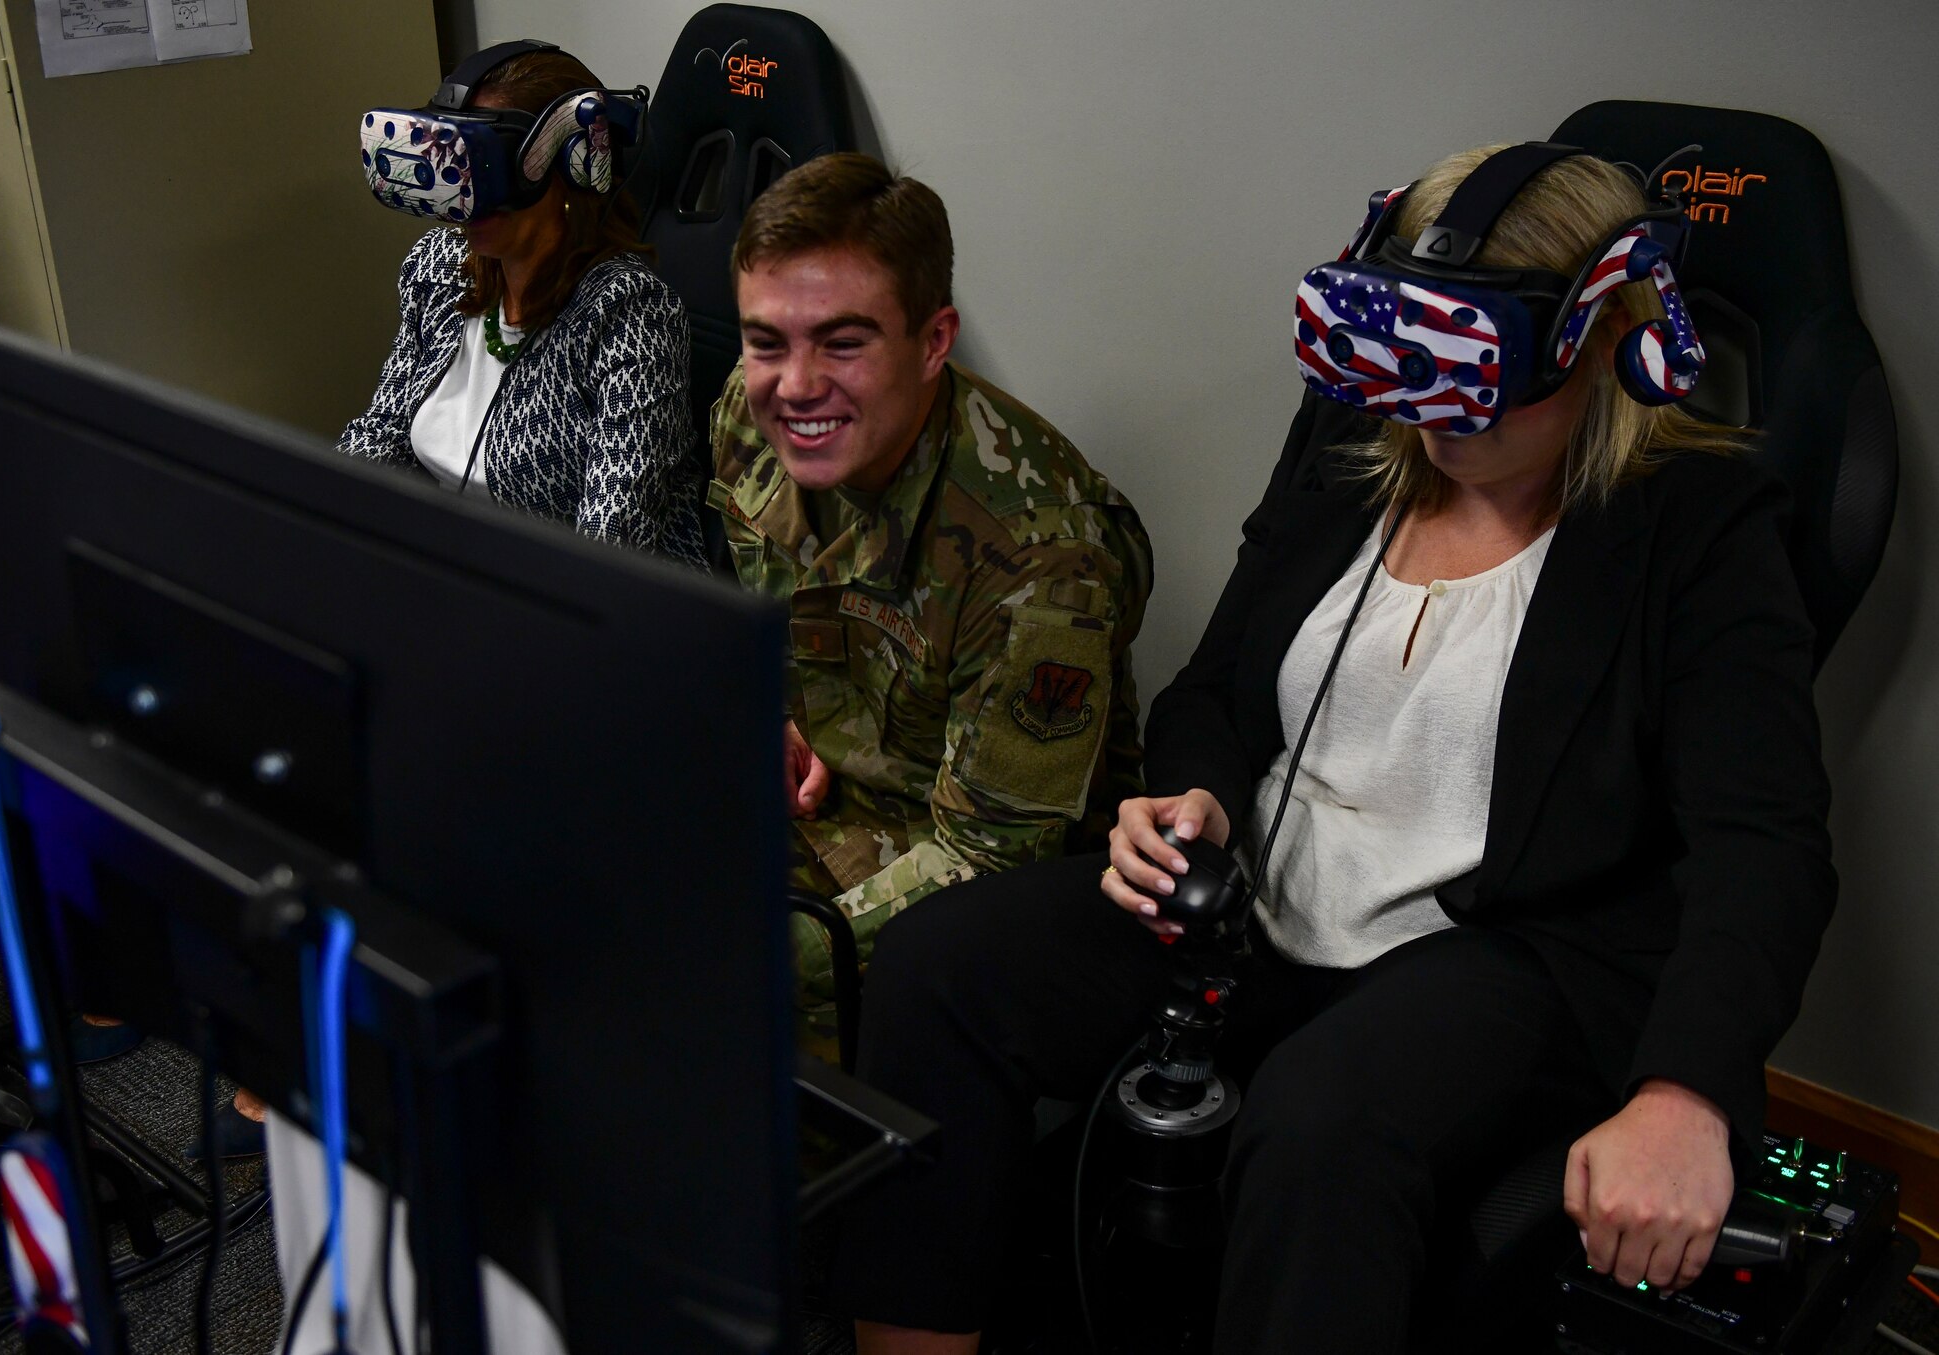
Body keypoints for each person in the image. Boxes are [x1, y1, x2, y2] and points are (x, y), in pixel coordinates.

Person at [828, 145, 1835, 1353]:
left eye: (1470, 363)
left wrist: (1684, 1093)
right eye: (1402, 354)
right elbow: (1213, 687)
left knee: (1319, 1123)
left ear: (1605, 335)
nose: (1422, 405)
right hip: (1263, 899)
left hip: (1503, 954)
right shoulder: (1351, 448)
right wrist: (1186, 792)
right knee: (941, 965)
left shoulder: (1698, 530)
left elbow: (1763, 845)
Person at [708, 154, 1154, 1048]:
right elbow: (765, 620)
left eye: (843, 342)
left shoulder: (1041, 554)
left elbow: (988, 857)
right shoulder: (748, 418)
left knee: (712, 1020)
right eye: (767, 341)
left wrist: (739, 949)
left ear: (933, 340)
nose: (793, 386)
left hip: (961, 896)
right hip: (818, 806)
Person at [338, 45, 706, 568]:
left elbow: (611, 543)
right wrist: (322, 525)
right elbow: (384, 431)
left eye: (489, 168)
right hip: (447, 573)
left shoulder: (631, 313)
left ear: (575, 163)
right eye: (458, 169)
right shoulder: (439, 265)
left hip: (577, 607)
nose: (467, 197)